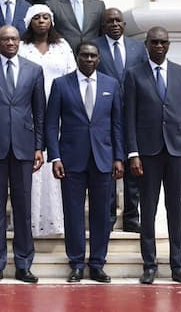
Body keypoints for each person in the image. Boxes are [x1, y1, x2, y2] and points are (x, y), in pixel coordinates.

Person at [0, 25, 45, 284]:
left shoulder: (34, 70)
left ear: (19, 41)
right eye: (5, 39)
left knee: (23, 209)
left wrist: (39, 146)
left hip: (24, 148)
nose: (10, 42)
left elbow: (40, 113)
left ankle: (24, 264)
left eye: (14, 38)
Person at [46, 41, 124, 283]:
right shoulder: (61, 84)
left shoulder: (111, 84)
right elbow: (51, 124)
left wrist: (119, 157)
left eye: (93, 56)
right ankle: (77, 263)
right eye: (84, 55)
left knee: (101, 214)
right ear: (77, 57)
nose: (88, 59)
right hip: (71, 160)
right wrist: (55, 156)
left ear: (98, 59)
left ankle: (98, 263)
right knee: (73, 213)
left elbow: (117, 125)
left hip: (103, 159)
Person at [124, 27, 181, 286]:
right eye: (154, 42)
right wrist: (133, 153)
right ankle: (150, 264)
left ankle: (178, 265)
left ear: (169, 45)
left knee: (174, 209)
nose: (158, 46)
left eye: (163, 42)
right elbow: (129, 117)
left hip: (177, 151)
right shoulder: (133, 75)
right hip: (147, 153)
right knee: (149, 210)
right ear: (146, 44)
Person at [17, 4, 76, 237]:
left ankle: (55, 223)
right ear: (29, 22)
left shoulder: (62, 46)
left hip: (59, 110)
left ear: (52, 21)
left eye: (46, 17)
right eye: (37, 18)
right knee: (33, 165)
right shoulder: (22, 47)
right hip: (29, 111)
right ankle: (30, 222)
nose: (41, 21)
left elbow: (71, 76)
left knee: (55, 163)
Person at [95, 7, 148, 233]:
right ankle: (107, 216)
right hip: (104, 116)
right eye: (110, 21)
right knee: (108, 168)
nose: (115, 24)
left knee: (133, 169)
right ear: (103, 25)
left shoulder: (138, 47)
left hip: (134, 116)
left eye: (118, 21)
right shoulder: (94, 47)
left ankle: (131, 217)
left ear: (124, 24)